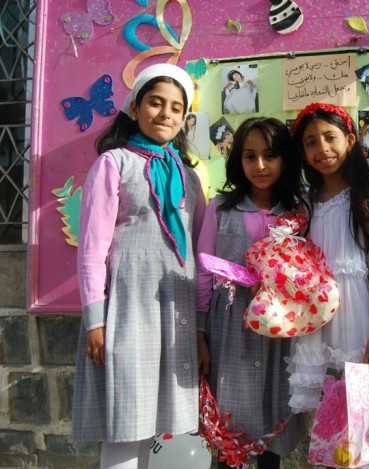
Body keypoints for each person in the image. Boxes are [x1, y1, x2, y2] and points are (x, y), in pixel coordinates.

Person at [72, 63, 207, 468]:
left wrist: (200, 327)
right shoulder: (114, 163)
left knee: (161, 429)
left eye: (176, 108)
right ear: (135, 107)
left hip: (177, 314)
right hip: (129, 312)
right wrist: (95, 320)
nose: (166, 114)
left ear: (184, 119)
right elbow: (92, 247)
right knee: (127, 426)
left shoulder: (188, 177)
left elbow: (199, 252)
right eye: (155, 103)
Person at [196, 117, 308, 469]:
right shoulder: (220, 209)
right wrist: (199, 333)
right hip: (230, 329)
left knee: (273, 424)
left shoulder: (299, 214)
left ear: (285, 159)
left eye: (270, 155)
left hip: (281, 333)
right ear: (238, 160)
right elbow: (203, 274)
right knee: (230, 432)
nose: (260, 165)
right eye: (250, 156)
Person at [286, 102, 369, 413]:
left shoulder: (367, 192)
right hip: (316, 319)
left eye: (330, 137)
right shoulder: (305, 201)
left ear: (350, 140)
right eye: (311, 142)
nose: (322, 149)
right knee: (324, 416)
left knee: (361, 412)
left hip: (358, 318)